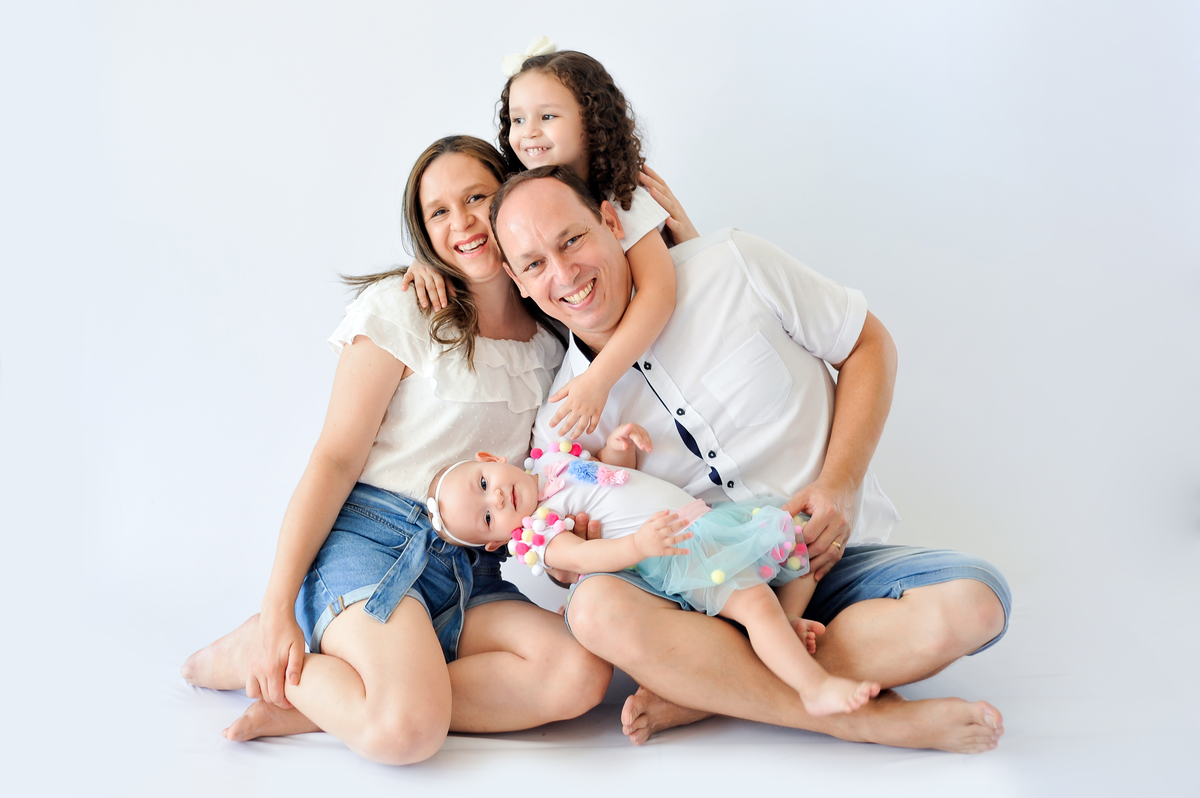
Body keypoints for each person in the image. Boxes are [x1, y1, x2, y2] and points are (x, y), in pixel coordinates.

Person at [489, 164, 1012, 753]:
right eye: (534, 264)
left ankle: (706, 690)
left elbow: (868, 345)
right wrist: (572, 562)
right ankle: (864, 719)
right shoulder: (561, 418)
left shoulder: (732, 265)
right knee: (594, 609)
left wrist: (840, 484)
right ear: (518, 281)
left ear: (611, 222)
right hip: (710, 599)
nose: (564, 274)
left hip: (826, 560)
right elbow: (571, 549)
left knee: (976, 604)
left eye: (572, 240)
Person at [180, 137, 611, 764]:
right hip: (371, 544)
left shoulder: (550, 341)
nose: (462, 223)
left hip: (472, 569)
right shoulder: (401, 309)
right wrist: (276, 609)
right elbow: (333, 461)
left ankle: (334, 700)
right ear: (424, 231)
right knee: (407, 733)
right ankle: (271, 650)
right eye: (439, 212)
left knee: (579, 675)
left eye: (476, 198)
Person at [426, 423, 882, 717]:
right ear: (497, 542)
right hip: (677, 552)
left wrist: (618, 449)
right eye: (488, 516)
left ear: (491, 460)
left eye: (483, 484)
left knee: (797, 547)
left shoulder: (551, 460)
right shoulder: (542, 536)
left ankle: (786, 622)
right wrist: (638, 546)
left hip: (705, 522)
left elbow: (609, 478)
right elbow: (586, 558)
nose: (496, 498)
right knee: (755, 604)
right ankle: (811, 687)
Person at [404, 46, 682, 442]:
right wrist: (428, 259)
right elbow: (478, 227)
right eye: (518, 119)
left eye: (547, 117)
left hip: (660, 351)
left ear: (592, 122)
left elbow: (658, 292)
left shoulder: (623, 196)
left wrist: (598, 380)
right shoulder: (522, 201)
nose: (529, 131)